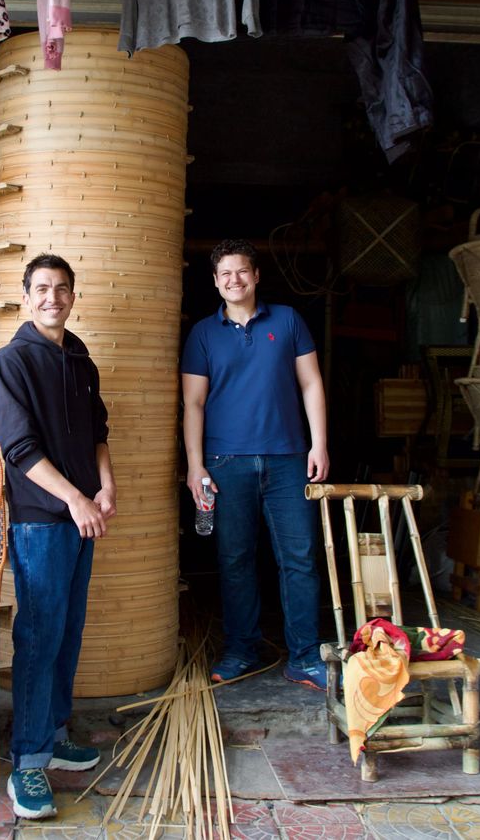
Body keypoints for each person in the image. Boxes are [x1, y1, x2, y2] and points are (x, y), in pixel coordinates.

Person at [0, 252, 117, 819]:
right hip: (43, 519)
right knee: (38, 635)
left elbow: (99, 433)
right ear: (25, 295)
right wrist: (76, 498)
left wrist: (105, 488)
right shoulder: (11, 362)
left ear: (72, 295)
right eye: (42, 289)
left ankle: (54, 732)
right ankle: (27, 764)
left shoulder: (80, 358)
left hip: (85, 515)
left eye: (62, 289)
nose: (53, 298)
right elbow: (19, 450)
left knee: (67, 629)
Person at [181, 238, 330, 689]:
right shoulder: (204, 334)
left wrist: (318, 445)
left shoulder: (287, 320)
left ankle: (305, 656)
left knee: (300, 558)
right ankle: (241, 649)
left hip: (288, 459)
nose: (234, 279)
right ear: (215, 281)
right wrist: (195, 465)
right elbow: (193, 404)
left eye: (242, 271)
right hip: (226, 462)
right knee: (235, 559)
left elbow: (311, 384)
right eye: (225, 273)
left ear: (256, 275)